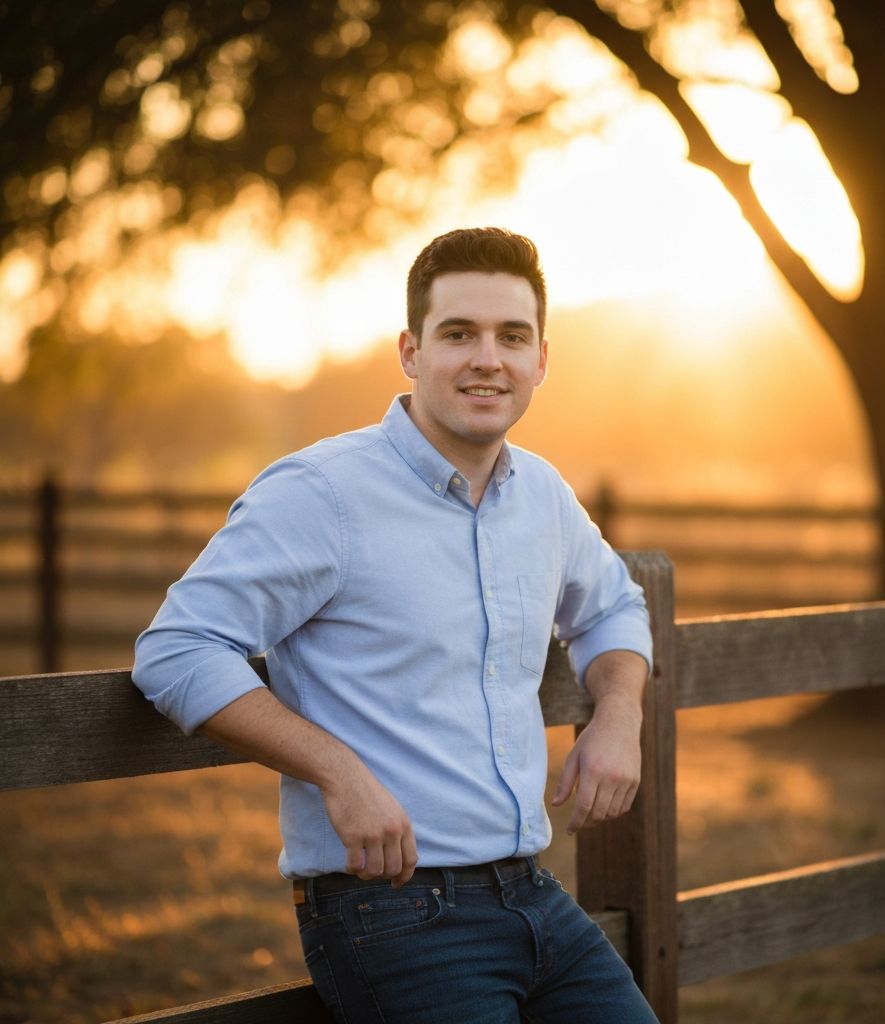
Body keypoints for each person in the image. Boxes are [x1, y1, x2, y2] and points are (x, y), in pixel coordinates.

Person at [133, 227, 659, 1023]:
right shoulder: (322, 493)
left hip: (535, 896)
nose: (488, 359)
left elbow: (615, 607)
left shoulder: (543, 496)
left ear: (542, 360)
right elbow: (177, 649)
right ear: (411, 351)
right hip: (394, 910)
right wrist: (337, 772)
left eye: (512, 336)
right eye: (459, 333)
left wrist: (618, 715)